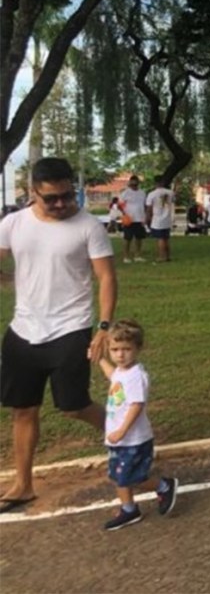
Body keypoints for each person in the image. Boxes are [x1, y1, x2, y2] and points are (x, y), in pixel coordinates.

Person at [0, 157, 117, 514]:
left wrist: (103, 328)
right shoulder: (13, 224)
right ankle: (23, 484)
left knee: (74, 406)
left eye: (67, 195)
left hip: (70, 328)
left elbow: (107, 278)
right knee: (23, 409)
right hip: (23, 331)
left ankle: (130, 435)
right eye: (51, 198)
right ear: (31, 192)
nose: (62, 204)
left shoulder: (88, 227)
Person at [97, 320, 179, 530]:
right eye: (115, 349)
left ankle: (163, 485)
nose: (120, 355)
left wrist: (122, 431)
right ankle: (129, 509)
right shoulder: (121, 372)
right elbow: (112, 377)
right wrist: (98, 359)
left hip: (133, 439)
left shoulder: (135, 376)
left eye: (126, 349)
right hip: (118, 438)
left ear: (138, 349)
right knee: (118, 476)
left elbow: (136, 405)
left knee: (131, 477)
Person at [145, 176, 175, 262]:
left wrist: (147, 218)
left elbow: (149, 208)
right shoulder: (170, 192)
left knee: (160, 239)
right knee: (166, 238)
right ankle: (168, 256)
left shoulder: (152, 194)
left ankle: (161, 256)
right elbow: (172, 201)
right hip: (167, 218)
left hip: (157, 219)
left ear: (155, 183)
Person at [119, 175, 147, 263]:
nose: (134, 185)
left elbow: (145, 205)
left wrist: (144, 217)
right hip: (129, 219)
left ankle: (137, 255)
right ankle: (126, 257)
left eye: (136, 183)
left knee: (139, 238)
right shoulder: (125, 193)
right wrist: (124, 213)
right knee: (127, 238)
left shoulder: (142, 193)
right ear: (130, 183)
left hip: (140, 218)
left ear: (138, 183)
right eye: (132, 184)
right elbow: (120, 205)